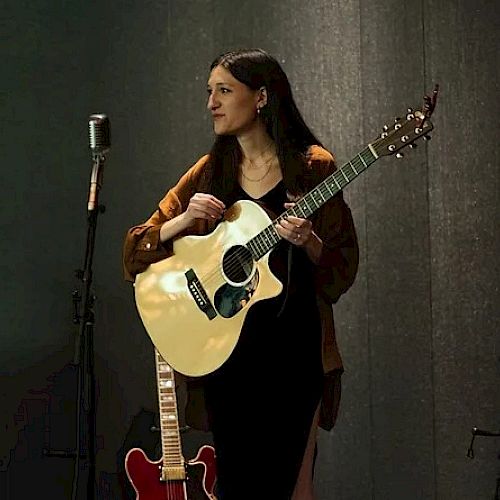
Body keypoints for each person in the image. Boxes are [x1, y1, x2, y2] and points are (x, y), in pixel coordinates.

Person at [123, 48, 359, 499]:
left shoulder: (314, 168)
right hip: (227, 357)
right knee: (237, 487)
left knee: (292, 488)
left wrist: (310, 241)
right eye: (209, 91)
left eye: (224, 91)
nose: (211, 102)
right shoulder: (211, 172)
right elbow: (135, 252)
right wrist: (180, 223)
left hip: (296, 354)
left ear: (262, 98)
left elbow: (341, 272)